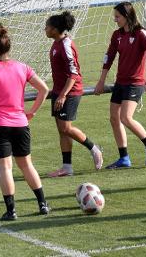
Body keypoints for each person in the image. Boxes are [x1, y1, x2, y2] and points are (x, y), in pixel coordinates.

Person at [0, 25, 50, 221]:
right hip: (20, 122)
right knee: (26, 165)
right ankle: (42, 204)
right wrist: (32, 112)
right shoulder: (23, 68)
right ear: (9, 48)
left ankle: (11, 210)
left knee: (5, 168)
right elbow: (44, 90)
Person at [95, 2, 146, 169]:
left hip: (135, 83)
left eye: (117, 16)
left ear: (127, 16)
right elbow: (108, 58)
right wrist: (101, 80)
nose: (114, 19)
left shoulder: (140, 33)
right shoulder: (116, 35)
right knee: (114, 118)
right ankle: (124, 158)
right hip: (120, 82)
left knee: (125, 117)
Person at [45, 11, 103, 177]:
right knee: (61, 130)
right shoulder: (56, 43)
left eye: (47, 27)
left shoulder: (66, 45)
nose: (45, 30)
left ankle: (94, 148)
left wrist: (63, 95)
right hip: (59, 91)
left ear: (55, 29)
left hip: (70, 92)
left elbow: (74, 73)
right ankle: (67, 168)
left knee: (66, 127)